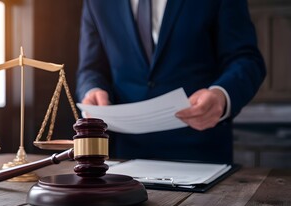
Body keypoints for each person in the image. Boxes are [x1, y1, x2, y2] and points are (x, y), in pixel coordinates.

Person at [76, 0, 266, 164]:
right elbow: (91, 68)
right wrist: (92, 89)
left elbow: (246, 59)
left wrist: (222, 95)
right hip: (123, 156)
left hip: (199, 153)